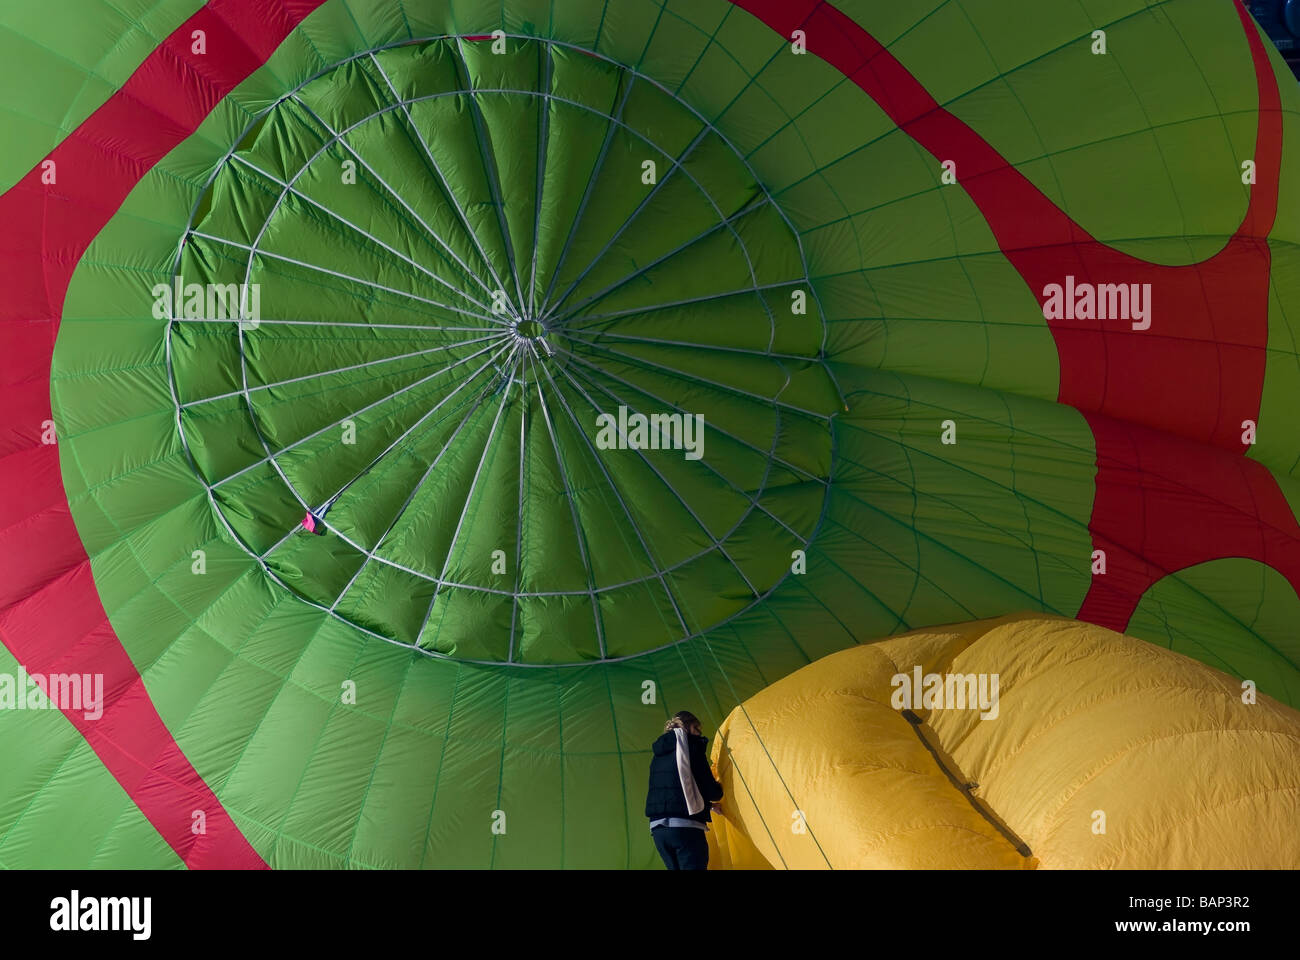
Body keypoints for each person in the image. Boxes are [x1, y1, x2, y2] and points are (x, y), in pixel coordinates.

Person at [645, 710, 724, 870]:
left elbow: (675, 791)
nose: (700, 734)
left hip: (659, 830)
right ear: (689, 727)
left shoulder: (660, 754)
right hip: (685, 829)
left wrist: (709, 806)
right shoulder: (690, 746)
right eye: (697, 729)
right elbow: (707, 786)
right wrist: (720, 789)